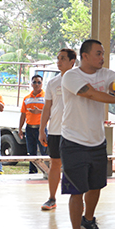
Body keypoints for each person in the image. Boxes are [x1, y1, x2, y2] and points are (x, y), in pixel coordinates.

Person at [60, 39, 115, 229]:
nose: (102, 57)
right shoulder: (72, 76)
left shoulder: (108, 75)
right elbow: (91, 94)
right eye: (97, 53)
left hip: (97, 141)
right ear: (84, 56)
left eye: (103, 53)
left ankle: (88, 220)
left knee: (96, 187)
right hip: (73, 141)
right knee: (77, 191)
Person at [38, 48, 77, 211]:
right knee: (55, 163)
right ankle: (52, 198)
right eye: (58, 58)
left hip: (75, 131)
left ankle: (77, 198)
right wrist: (42, 130)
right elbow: (47, 108)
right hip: (55, 131)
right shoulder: (52, 82)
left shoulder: (79, 81)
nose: (58, 61)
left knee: (75, 165)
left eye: (62, 58)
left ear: (72, 62)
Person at [19, 74, 47, 174]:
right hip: (29, 128)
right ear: (31, 84)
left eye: (39, 82)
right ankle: (32, 171)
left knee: (44, 151)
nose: (36, 84)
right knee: (31, 152)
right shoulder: (27, 98)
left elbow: (50, 111)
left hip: (41, 128)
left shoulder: (46, 97)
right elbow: (23, 114)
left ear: (42, 84)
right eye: (34, 82)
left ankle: (45, 172)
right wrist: (20, 129)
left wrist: (39, 111)